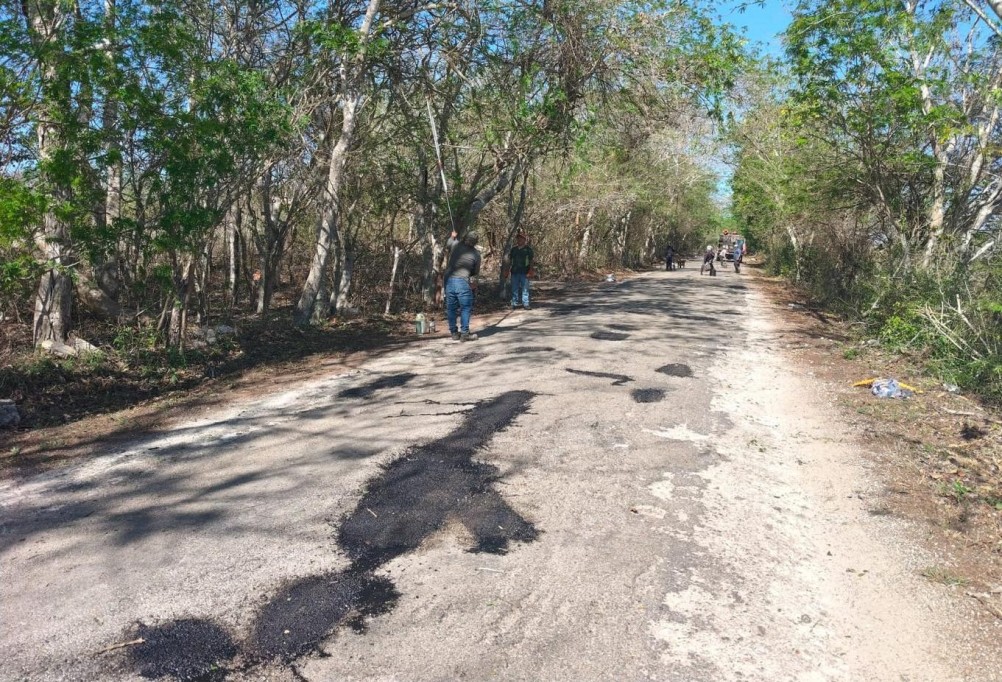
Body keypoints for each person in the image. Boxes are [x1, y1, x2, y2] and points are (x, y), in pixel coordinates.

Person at [444, 230, 481, 341]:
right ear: (475, 242)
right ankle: (465, 333)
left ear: (465, 238)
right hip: (462, 282)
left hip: (449, 281)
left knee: (451, 308)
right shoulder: (476, 254)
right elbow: (475, 272)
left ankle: (454, 333)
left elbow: (448, 244)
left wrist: (452, 236)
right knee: (465, 308)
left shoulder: (456, 245)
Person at [508, 232, 534, 310]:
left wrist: (531, 270)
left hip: (525, 272)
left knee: (525, 288)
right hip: (514, 272)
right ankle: (514, 303)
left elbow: (531, 260)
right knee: (514, 288)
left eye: (521, 238)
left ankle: (525, 304)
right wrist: (507, 270)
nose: (519, 240)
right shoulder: (513, 249)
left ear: (524, 240)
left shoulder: (528, 250)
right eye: (518, 238)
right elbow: (510, 260)